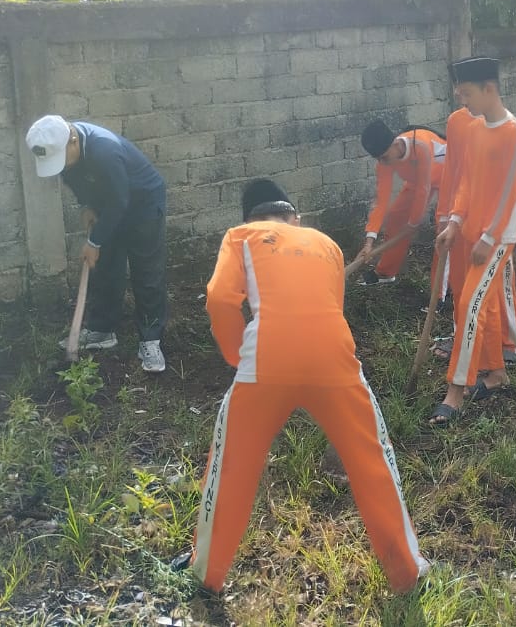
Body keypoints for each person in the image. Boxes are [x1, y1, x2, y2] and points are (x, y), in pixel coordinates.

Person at [188, 178, 429, 595]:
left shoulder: (240, 236)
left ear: (251, 218)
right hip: (334, 364)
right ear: (294, 217)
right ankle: (407, 572)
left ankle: (206, 575)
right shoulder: (326, 244)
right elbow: (329, 308)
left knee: (232, 467)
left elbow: (219, 298)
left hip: (264, 367)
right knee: (373, 461)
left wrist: (235, 354)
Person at [26, 115, 168, 373]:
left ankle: (151, 339)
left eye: (60, 160)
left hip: (142, 205)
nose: (59, 168)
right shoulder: (68, 150)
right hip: (111, 204)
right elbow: (75, 178)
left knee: (146, 274)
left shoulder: (105, 149)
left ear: (72, 141)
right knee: (106, 269)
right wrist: (86, 204)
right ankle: (102, 330)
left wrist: (94, 241)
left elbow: (120, 200)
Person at [432, 57, 516, 427]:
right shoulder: (474, 129)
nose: (464, 101)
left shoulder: (514, 134)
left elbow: (509, 193)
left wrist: (489, 238)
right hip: (471, 231)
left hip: (497, 240)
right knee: (478, 305)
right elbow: (467, 183)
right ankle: (496, 374)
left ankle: (455, 391)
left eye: (468, 93)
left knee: (469, 305)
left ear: (489, 90)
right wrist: (455, 222)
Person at [357, 119, 446, 286]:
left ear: (396, 144)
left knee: (444, 230)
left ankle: (442, 290)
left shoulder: (420, 146)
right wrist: (369, 240)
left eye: (384, 157)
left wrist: (413, 222)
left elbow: (423, 190)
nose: (383, 163)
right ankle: (385, 273)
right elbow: (380, 201)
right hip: (419, 182)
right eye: (379, 159)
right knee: (395, 217)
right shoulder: (384, 162)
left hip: (450, 178)